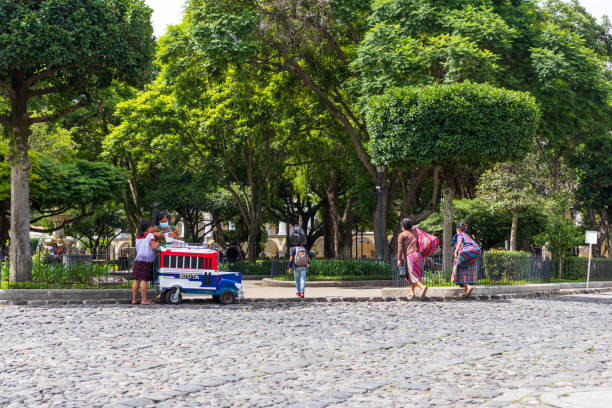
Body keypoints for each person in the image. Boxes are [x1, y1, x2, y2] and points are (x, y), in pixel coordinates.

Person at [397, 218, 428, 299]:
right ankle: (412, 292)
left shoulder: (402, 235)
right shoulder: (415, 232)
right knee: (416, 273)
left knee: (412, 274)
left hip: (410, 255)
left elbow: (400, 248)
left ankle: (422, 287)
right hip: (419, 255)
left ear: (403, 226)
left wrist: (399, 259)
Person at [131, 219, 160, 305]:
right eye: (151, 226)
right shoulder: (150, 235)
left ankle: (134, 299)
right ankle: (144, 300)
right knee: (144, 280)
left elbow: (137, 248)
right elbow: (154, 247)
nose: (151, 228)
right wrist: (158, 243)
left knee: (136, 280)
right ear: (148, 228)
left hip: (138, 259)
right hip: (147, 260)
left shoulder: (138, 237)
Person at [452, 222, 481, 297]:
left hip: (467, 251)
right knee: (465, 269)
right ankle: (466, 290)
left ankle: (468, 286)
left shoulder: (460, 234)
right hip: (476, 251)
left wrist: (455, 252)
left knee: (457, 267)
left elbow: (459, 242)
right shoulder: (467, 236)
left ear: (458, 229)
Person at [288, 226, 310, 298]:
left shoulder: (294, 249)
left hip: (296, 267)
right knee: (303, 280)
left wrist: (289, 267)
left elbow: (291, 259)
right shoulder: (304, 249)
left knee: (297, 281)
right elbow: (308, 257)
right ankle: (302, 292)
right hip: (304, 266)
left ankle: (298, 293)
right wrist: (308, 264)